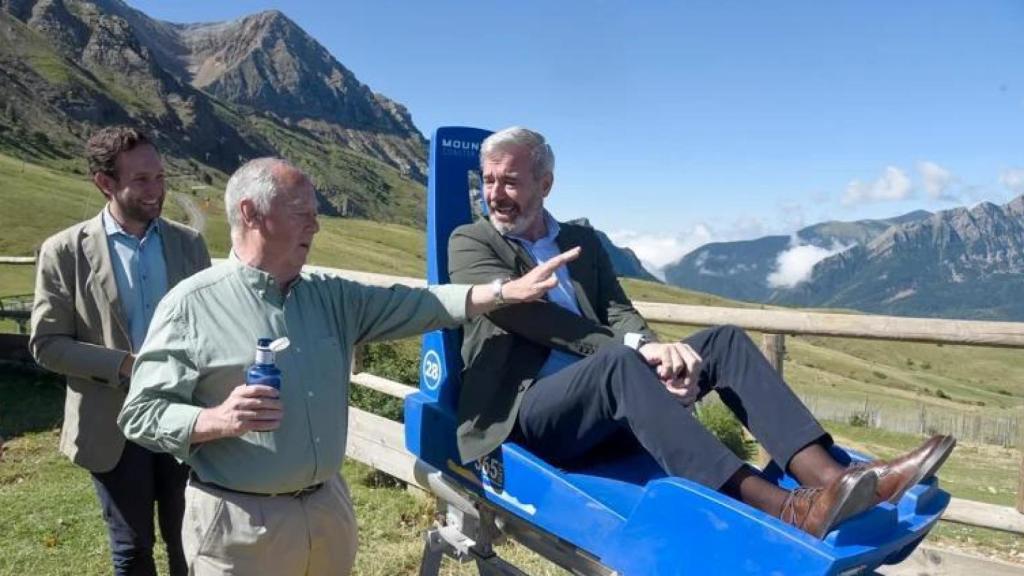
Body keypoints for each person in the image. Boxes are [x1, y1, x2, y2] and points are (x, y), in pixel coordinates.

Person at [447, 126, 956, 539]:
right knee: (618, 363)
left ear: (545, 184)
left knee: (724, 341)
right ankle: (785, 509)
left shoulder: (580, 240)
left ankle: (836, 480)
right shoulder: (471, 242)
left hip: (609, 393)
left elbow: (618, 311)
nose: (495, 194)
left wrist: (659, 353)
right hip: (529, 411)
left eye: (509, 181)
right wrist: (637, 358)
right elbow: (527, 317)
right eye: (488, 181)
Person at [116, 157, 577, 576]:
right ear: (250, 214)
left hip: (327, 511)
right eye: (301, 212)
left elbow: (420, 304)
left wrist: (502, 293)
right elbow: (140, 413)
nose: (315, 226)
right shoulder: (191, 305)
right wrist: (215, 419)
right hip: (240, 524)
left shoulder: (330, 296)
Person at [30, 126, 211, 575]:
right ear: (105, 183)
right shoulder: (63, 251)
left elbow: (212, 327)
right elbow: (47, 344)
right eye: (142, 180)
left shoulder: (189, 245)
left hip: (184, 418)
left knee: (191, 539)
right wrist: (126, 366)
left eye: (161, 177)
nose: (157, 191)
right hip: (112, 426)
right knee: (132, 548)